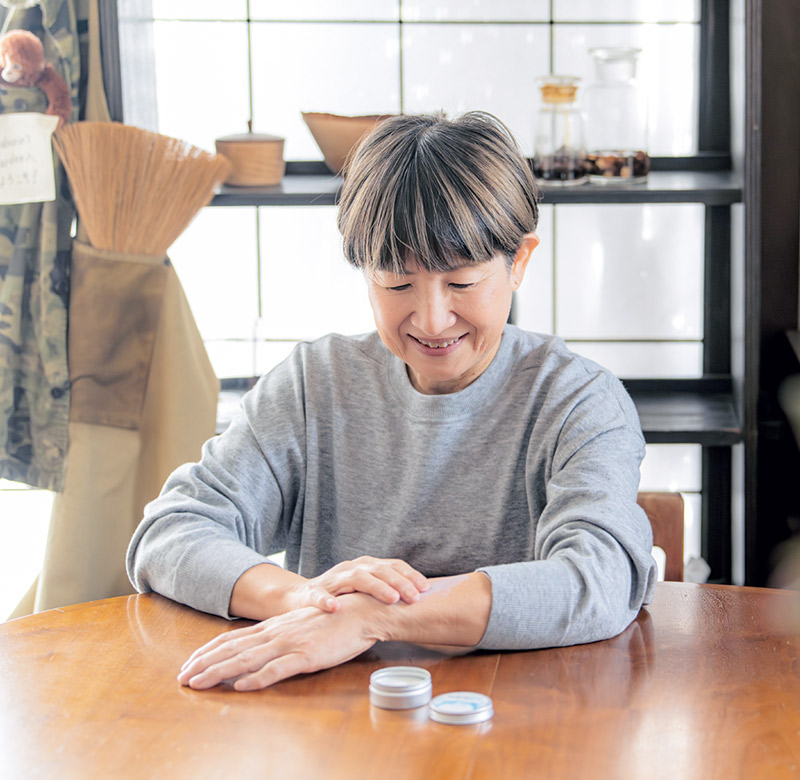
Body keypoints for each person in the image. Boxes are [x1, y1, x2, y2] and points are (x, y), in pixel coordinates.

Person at [126, 110, 657, 692]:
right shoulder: (315, 384)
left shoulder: (578, 400)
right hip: (334, 718)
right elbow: (171, 532)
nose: (431, 319)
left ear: (518, 262)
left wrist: (376, 615)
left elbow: (599, 579)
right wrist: (306, 598)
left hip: (522, 715)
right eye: (397, 283)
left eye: (461, 282)